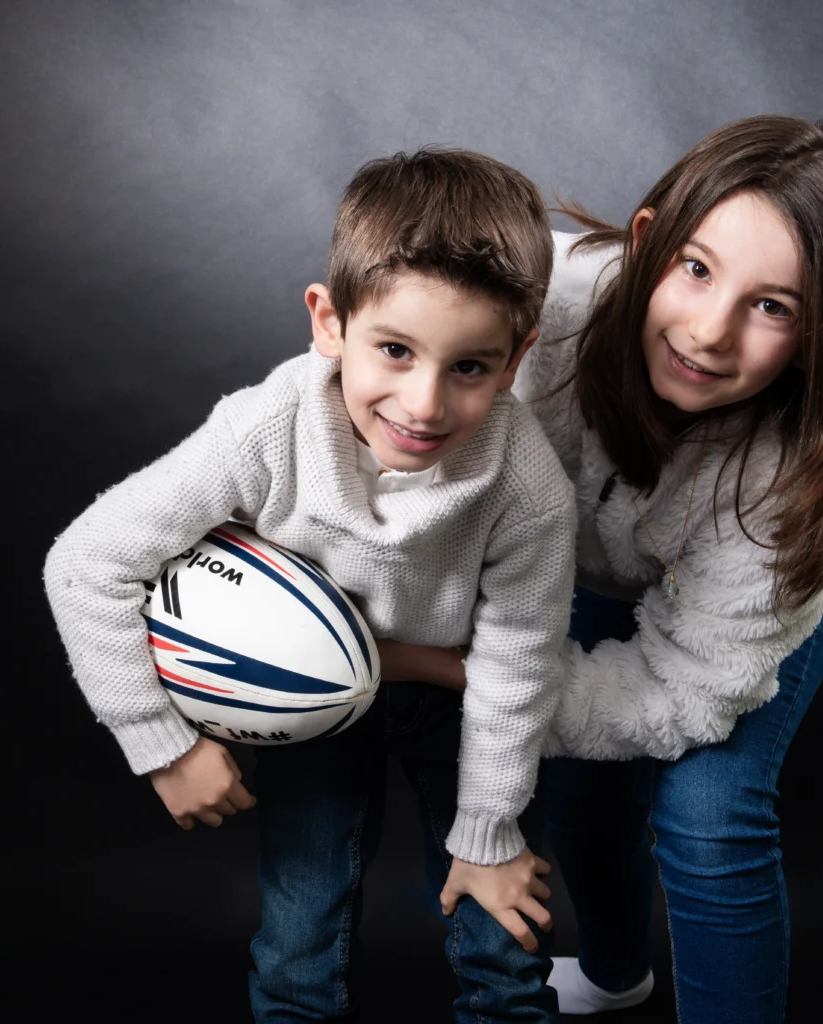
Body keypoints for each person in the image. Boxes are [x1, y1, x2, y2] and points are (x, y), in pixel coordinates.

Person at [388, 115, 823, 1022]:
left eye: (774, 306)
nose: (708, 332)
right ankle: (614, 974)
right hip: (587, 565)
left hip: (736, 604)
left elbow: (683, 693)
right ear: (648, 241)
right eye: (696, 268)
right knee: (589, 794)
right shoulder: (531, 302)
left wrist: (465, 674)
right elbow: (371, 363)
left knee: (708, 815)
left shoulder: (798, 479)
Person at [42, 148, 578, 1023]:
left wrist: (486, 833)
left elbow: (518, 669)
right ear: (328, 322)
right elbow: (85, 562)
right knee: (299, 936)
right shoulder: (267, 428)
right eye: (395, 350)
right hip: (308, 706)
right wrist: (165, 745)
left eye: (469, 367)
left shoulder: (527, 488)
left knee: (498, 925)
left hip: (464, 704)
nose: (425, 403)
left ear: (517, 358)